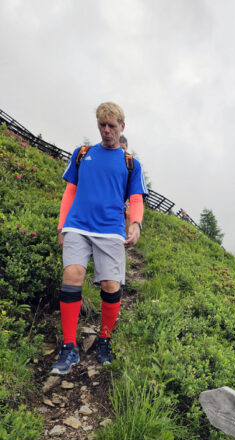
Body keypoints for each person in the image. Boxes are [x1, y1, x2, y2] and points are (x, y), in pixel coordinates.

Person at [50, 102, 148, 375]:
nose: (107, 131)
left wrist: (136, 223)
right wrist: (62, 226)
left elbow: (136, 199)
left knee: (110, 285)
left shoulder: (131, 164)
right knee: (72, 274)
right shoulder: (82, 154)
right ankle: (69, 347)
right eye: (102, 125)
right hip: (77, 226)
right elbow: (70, 191)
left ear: (122, 127)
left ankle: (104, 339)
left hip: (110, 230)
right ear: (98, 126)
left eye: (112, 126)